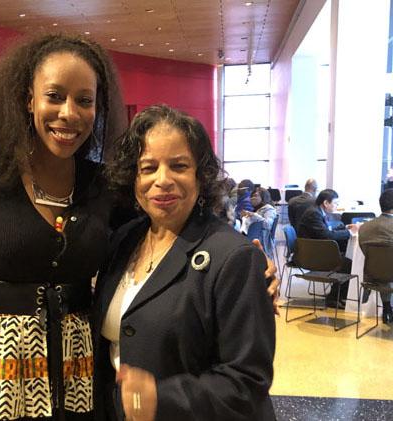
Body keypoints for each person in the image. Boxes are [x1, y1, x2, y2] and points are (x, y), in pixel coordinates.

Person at [0, 34, 127, 421]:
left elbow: (153, 245)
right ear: (28, 100)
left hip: (79, 371)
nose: (68, 113)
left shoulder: (103, 185)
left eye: (84, 100)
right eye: (54, 96)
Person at [95, 105, 276, 420]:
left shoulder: (234, 257)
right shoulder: (124, 241)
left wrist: (160, 399)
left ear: (200, 176)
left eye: (178, 166)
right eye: (148, 167)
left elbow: (248, 381)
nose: (162, 179)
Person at [297, 189, 358, 308]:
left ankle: (338, 296)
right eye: (335, 203)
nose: (337, 206)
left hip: (314, 250)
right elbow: (327, 235)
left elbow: (325, 230)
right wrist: (350, 233)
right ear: (326, 203)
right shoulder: (314, 213)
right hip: (310, 255)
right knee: (348, 263)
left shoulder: (317, 211)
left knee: (345, 258)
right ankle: (334, 298)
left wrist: (345, 228)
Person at [358, 189, 393, 323]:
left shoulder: (364, 228)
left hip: (372, 274)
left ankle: (387, 308)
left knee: (384, 266)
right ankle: (387, 308)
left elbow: (364, 251)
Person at [241, 187, 277, 258]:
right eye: (251, 196)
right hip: (254, 240)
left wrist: (253, 215)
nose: (252, 198)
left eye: (255, 196)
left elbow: (268, 224)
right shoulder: (257, 209)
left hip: (261, 243)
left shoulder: (269, 209)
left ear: (263, 197)